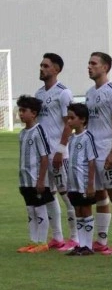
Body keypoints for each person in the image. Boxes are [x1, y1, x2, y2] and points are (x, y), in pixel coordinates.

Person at [84, 52, 112, 255]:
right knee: (100, 195)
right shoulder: (89, 93)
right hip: (93, 152)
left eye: (94, 63)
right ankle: (101, 241)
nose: (89, 67)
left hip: (108, 151)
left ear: (105, 67)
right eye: (89, 63)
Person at [35, 53, 76, 250]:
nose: (41, 69)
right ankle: (57, 237)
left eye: (46, 66)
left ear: (56, 69)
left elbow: (69, 123)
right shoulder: (38, 94)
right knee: (48, 194)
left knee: (66, 193)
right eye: (41, 65)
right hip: (43, 154)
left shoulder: (63, 93)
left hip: (59, 153)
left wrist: (61, 149)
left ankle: (75, 237)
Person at [16, 96, 54, 253]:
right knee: (30, 211)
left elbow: (45, 157)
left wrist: (41, 180)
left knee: (40, 210)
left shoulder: (39, 131)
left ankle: (42, 242)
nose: (20, 113)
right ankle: (33, 240)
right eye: (19, 110)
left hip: (36, 180)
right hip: (25, 180)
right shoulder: (22, 133)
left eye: (23, 110)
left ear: (33, 113)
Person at [64, 103, 98, 256]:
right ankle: (81, 244)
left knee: (85, 210)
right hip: (73, 183)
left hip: (83, 182)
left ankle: (88, 246)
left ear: (82, 119)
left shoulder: (87, 137)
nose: (69, 121)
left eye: (72, 118)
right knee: (77, 211)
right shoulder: (71, 138)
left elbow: (91, 161)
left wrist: (90, 184)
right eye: (68, 118)